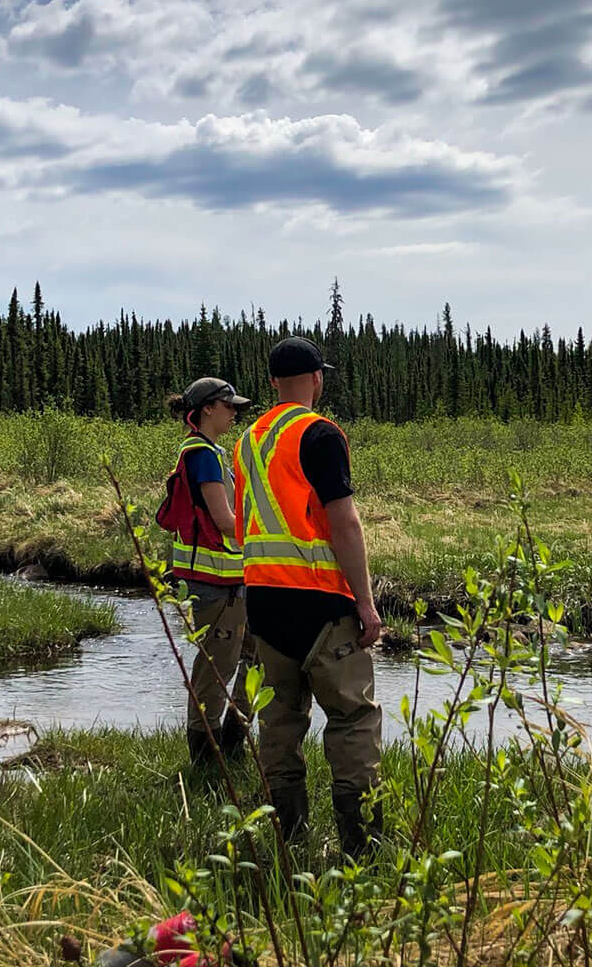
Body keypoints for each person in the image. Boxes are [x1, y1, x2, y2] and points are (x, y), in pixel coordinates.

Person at [233, 336, 384, 856]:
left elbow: (242, 523)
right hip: (321, 600)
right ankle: (361, 846)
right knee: (352, 719)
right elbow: (344, 521)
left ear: (273, 383)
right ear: (317, 378)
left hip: (264, 603)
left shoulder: (248, 439)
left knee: (279, 720)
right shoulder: (320, 434)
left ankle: (286, 838)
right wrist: (364, 603)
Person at [163, 377, 255, 770]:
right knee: (217, 668)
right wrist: (271, 530)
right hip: (216, 584)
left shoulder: (213, 452)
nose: (234, 412)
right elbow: (225, 521)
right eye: (228, 405)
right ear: (206, 410)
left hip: (234, 580)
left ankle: (233, 744)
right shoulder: (202, 454)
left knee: (252, 658)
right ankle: (206, 761)